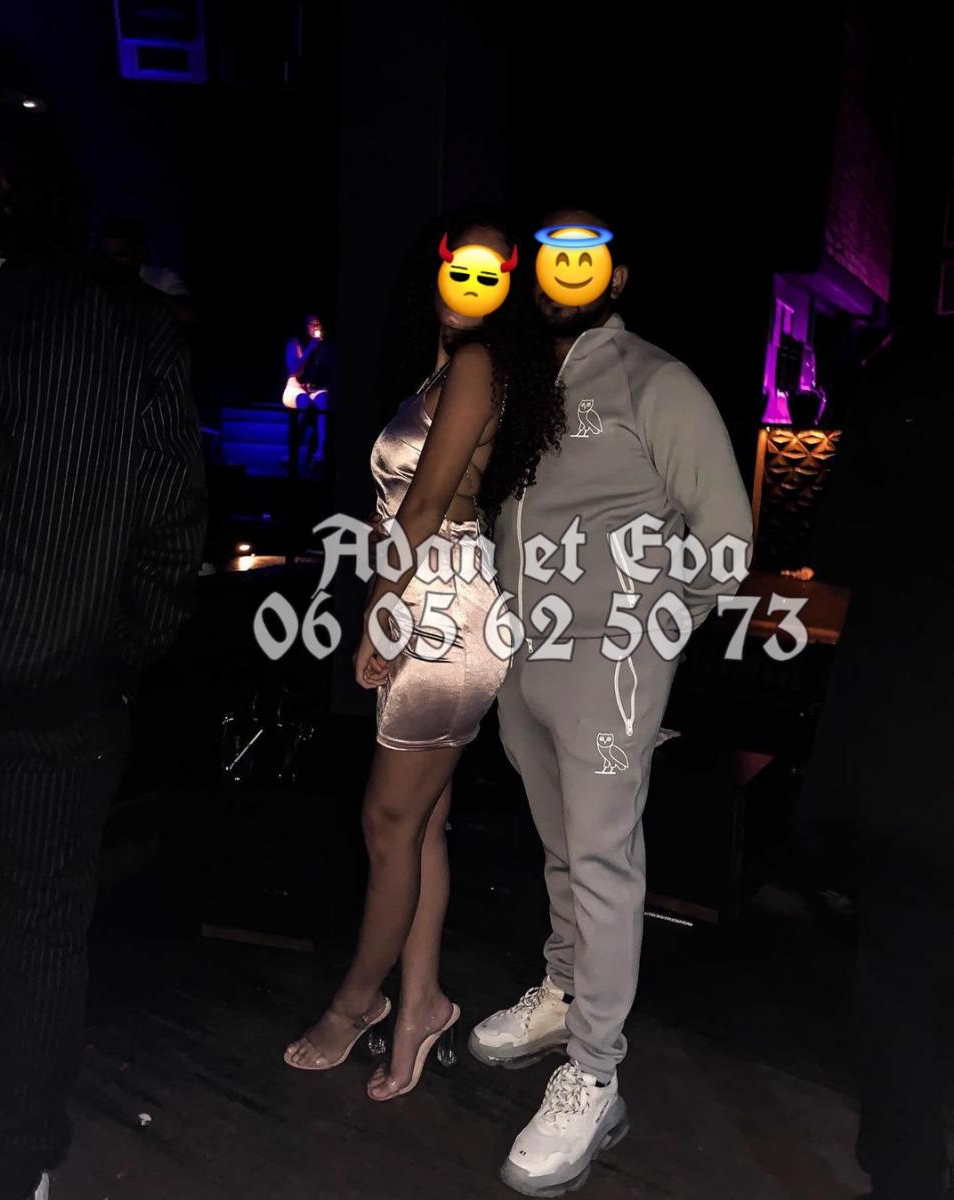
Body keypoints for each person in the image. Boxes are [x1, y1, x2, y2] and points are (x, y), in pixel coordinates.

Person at [469, 208, 753, 1196]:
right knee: (562, 848)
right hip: (524, 655)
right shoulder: (527, 383)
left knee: (601, 862)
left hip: (608, 665)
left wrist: (648, 632)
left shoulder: (654, 381)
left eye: (585, 260)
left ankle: (594, 1073)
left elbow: (725, 536)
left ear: (617, 278)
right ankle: (562, 990)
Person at [282, 210, 563, 1100]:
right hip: (430, 594)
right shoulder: (450, 367)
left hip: (438, 607)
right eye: (459, 266)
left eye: (491, 272)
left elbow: (425, 505)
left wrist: (377, 608)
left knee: (387, 824)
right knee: (419, 827)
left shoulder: (476, 366)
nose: (471, 283)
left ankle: (353, 1004)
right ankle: (420, 1007)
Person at [0, 77, 207, 1200]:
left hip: (64, 686)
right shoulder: (126, 328)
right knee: (37, 933)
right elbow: (174, 536)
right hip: (62, 693)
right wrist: (109, 653)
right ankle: (17, 1161)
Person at [796, 315, 954, 1200]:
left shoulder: (913, 368)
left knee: (902, 966)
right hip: (912, 733)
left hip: (913, 728)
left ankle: (905, 1175)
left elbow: (838, 544)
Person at [282, 312, 336, 469]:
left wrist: (321, 351)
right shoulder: (295, 343)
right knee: (304, 401)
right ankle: (292, 450)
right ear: (304, 327)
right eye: (312, 324)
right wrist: (310, 349)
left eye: (318, 324)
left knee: (324, 401)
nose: (316, 328)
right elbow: (294, 370)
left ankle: (320, 452)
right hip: (295, 386)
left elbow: (325, 372)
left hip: (314, 387)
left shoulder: (323, 346)